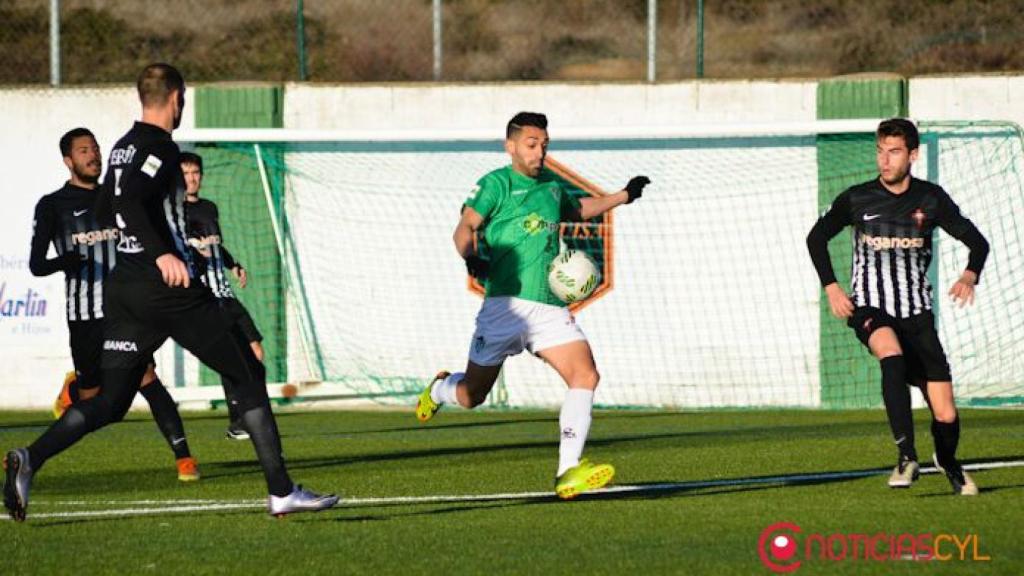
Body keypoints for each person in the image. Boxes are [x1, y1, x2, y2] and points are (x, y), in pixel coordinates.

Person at [3, 63, 337, 522]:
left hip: (125, 292)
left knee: (109, 401)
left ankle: (30, 458)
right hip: (167, 291)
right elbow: (132, 200)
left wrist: (136, 246)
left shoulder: (121, 148)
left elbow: (105, 205)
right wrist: (160, 253)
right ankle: (281, 491)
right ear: (178, 97)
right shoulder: (158, 146)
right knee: (247, 373)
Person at [415, 111, 650, 499]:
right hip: (504, 306)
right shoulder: (496, 184)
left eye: (544, 144)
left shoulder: (551, 188)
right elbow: (465, 227)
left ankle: (568, 471)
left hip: (549, 308)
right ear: (511, 146)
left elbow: (576, 211)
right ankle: (441, 390)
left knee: (585, 376)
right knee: (472, 396)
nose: (539, 151)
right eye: (531, 144)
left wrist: (623, 196)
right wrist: (470, 257)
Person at [806, 118, 989, 496]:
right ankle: (906, 456)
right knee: (890, 354)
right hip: (871, 308)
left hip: (918, 316)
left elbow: (979, 243)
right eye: (880, 151)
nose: (885, 160)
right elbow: (816, 238)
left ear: (913, 155)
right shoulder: (857, 198)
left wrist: (970, 275)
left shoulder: (931, 199)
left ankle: (948, 462)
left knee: (946, 414)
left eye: (894, 151)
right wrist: (831, 287)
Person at [30, 127, 199, 482]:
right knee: (100, 403)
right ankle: (75, 390)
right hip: (85, 316)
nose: (92, 155)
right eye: (82, 151)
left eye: (95, 148)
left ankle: (184, 458)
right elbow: (36, 264)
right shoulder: (52, 206)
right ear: (68, 161)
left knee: (147, 378)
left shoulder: (117, 198)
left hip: (123, 310)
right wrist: (66, 261)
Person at [181, 151, 262, 440]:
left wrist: (234, 265)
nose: (191, 179)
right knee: (234, 355)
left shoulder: (209, 208)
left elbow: (217, 247)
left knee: (254, 351)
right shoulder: (177, 212)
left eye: (195, 173)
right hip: (207, 297)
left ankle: (245, 417)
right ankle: (239, 420)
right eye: (186, 173)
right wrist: (193, 252)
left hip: (226, 292)